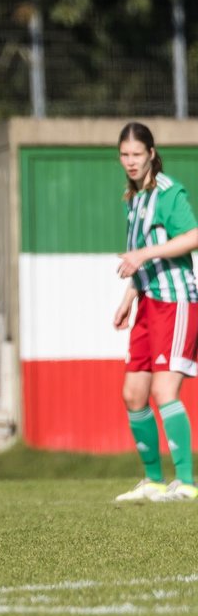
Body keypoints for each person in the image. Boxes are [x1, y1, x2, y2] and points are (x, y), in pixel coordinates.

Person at [113, 121, 198, 503]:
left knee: (165, 390)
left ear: (151, 154)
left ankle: (186, 482)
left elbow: (193, 236)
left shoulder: (168, 192)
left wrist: (142, 256)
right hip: (147, 302)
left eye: (136, 154)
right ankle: (153, 480)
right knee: (133, 394)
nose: (130, 161)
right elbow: (139, 258)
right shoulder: (134, 199)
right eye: (124, 155)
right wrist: (129, 297)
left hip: (176, 301)